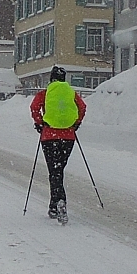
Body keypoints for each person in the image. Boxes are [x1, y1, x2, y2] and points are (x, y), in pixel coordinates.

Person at [30, 66, 86, 223]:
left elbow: (34, 107)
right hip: (68, 137)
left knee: (54, 171)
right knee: (59, 169)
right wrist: (76, 124)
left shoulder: (46, 93)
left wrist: (39, 123)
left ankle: (58, 202)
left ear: (51, 79)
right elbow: (82, 107)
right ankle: (54, 204)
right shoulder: (71, 93)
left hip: (49, 136)